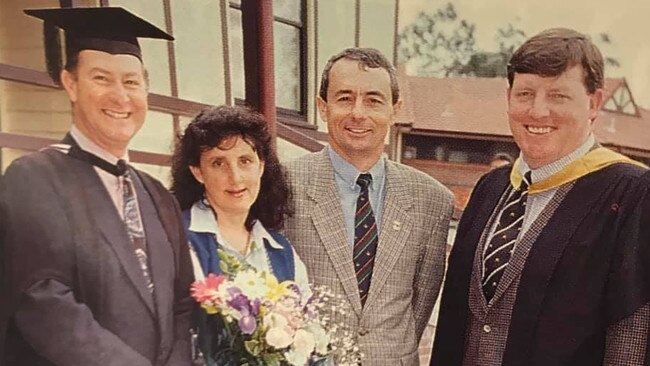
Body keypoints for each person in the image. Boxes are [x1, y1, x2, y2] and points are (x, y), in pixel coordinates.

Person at [431, 28, 650, 366]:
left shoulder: (632, 194)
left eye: (558, 96)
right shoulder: (491, 188)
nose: (538, 111)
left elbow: (631, 331)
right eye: (525, 94)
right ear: (508, 98)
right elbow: (457, 317)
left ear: (594, 103)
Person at [0, 7, 194, 365]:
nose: (120, 96)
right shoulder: (32, 179)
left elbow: (181, 306)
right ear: (70, 83)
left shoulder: (159, 196)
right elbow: (42, 300)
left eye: (132, 82)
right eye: (102, 78)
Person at [283, 47, 455, 365]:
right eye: (345, 98)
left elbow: (420, 306)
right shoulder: (283, 186)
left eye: (374, 100)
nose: (358, 113)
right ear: (323, 106)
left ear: (394, 109)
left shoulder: (432, 200)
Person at [170, 105, 310, 365]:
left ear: (261, 166)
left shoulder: (281, 251)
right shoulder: (176, 240)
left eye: (245, 161)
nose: (235, 177)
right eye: (218, 163)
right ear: (198, 172)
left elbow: (308, 332)